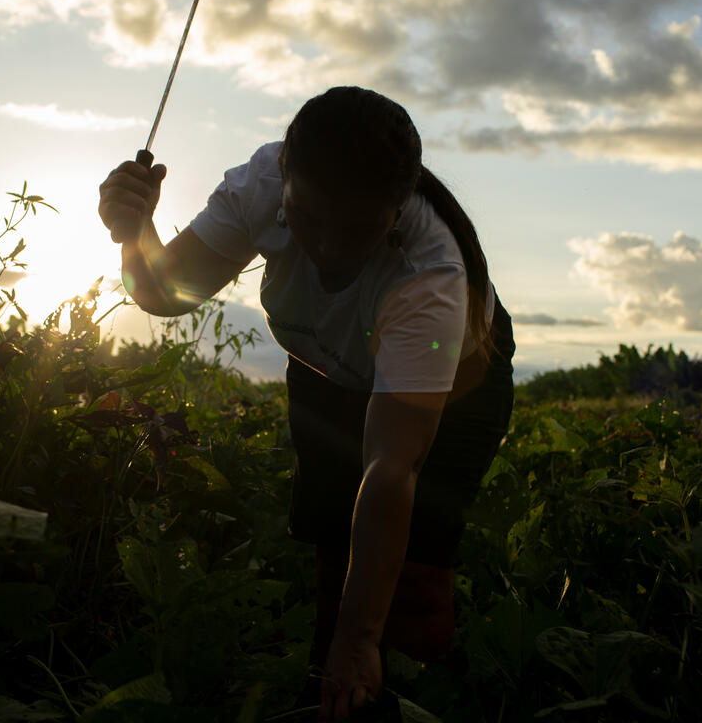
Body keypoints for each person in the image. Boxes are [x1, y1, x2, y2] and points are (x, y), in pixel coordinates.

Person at [98, 86, 515, 720]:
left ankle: (417, 699)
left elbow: (390, 472)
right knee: (332, 546)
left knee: (419, 582)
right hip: (327, 370)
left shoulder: (429, 277)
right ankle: (330, 690)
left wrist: (362, 639)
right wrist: (134, 231)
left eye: (358, 228)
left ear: (397, 207)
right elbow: (161, 291)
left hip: (452, 388)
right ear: (285, 179)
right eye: (309, 218)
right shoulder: (258, 187)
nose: (329, 245)